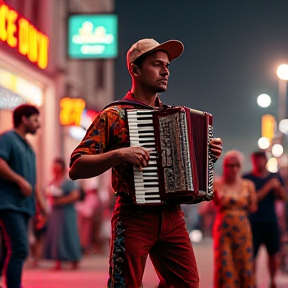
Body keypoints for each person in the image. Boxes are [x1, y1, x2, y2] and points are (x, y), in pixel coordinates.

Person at [69, 38, 223, 288]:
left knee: (187, 284)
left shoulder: (173, 117)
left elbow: (184, 171)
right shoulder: (114, 115)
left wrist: (207, 156)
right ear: (135, 69)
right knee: (125, 284)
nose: (165, 71)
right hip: (133, 216)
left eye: (167, 65)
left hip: (172, 216)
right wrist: (119, 154)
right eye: (157, 64)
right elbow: (76, 166)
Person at [0, 104, 47, 288]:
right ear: (24, 119)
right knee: (19, 248)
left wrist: (43, 207)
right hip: (9, 204)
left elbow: (33, 183)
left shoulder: (29, 148)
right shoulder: (8, 138)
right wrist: (19, 180)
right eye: (35, 120)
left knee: (7, 250)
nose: (39, 124)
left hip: (23, 206)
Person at [213, 150, 257, 288]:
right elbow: (213, 206)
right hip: (223, 228)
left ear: (240, 167)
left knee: (244, 264)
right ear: (224, 166)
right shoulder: (216, 184)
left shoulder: (248, 185)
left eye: (236, 165)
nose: (232, 168)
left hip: (242, 228)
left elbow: (253, 207)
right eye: (229, 165)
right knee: (225, 263)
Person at [243, 151, 287, 288]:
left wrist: (278, 189)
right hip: (253, 221)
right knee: (252, 254)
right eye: (256, 160)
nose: (258, 163)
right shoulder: (248, 178)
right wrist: (268, 187)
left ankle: (272, 279)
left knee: (273, 253)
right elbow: (251, 199)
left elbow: (283, 198)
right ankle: (253, 280)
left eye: (261, 160)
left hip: (271, 221)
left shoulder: (275, 177)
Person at [43, 157, 82, 270]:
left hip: (66, 211)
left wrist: (61, 200)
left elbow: (75, 195)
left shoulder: (68, 182)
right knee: (56, 236)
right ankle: (58, 260)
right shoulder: (52, 182)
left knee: (69, 234)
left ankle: (74, 259)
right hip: (55, 212)